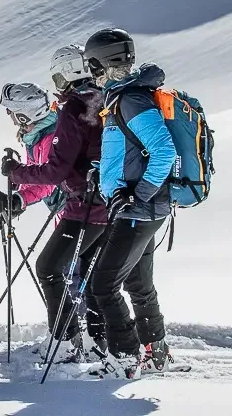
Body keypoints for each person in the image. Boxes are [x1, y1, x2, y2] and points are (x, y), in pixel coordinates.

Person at [0, 59, 108, 364]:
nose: (10, 118)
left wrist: (18, 188)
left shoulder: (52, 132)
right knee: (79, 275)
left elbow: (49, 177)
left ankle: (69, 341)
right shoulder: (45, 130)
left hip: (79, 208)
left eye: (11, 112)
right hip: (87, 206)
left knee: (57, 271)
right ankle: (87, 338)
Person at [83, 27, 175, 378]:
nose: (91, 73)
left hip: (140, 209)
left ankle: (123, 359)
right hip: (137, 207)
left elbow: (163, 150)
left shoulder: (132, 100)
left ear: (104, 63)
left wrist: (139, 194)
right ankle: (155, 351)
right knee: (137, 283)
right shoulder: (123, 98)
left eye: (93, 65)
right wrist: (101, 174)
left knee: (103, 284)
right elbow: (128, 152)